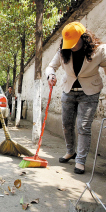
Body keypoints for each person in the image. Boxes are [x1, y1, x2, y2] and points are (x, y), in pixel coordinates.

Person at [46, 22, 106, 174]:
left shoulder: (99, 50)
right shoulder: (63, 51)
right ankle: (70, 151)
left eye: (74, 43)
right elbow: (51, 66)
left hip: (90, 92)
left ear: (83, 37)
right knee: (66, 124)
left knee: (83, 126)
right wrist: (51, 75)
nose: (71, 46)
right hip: (69, 90)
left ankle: (80, 160)